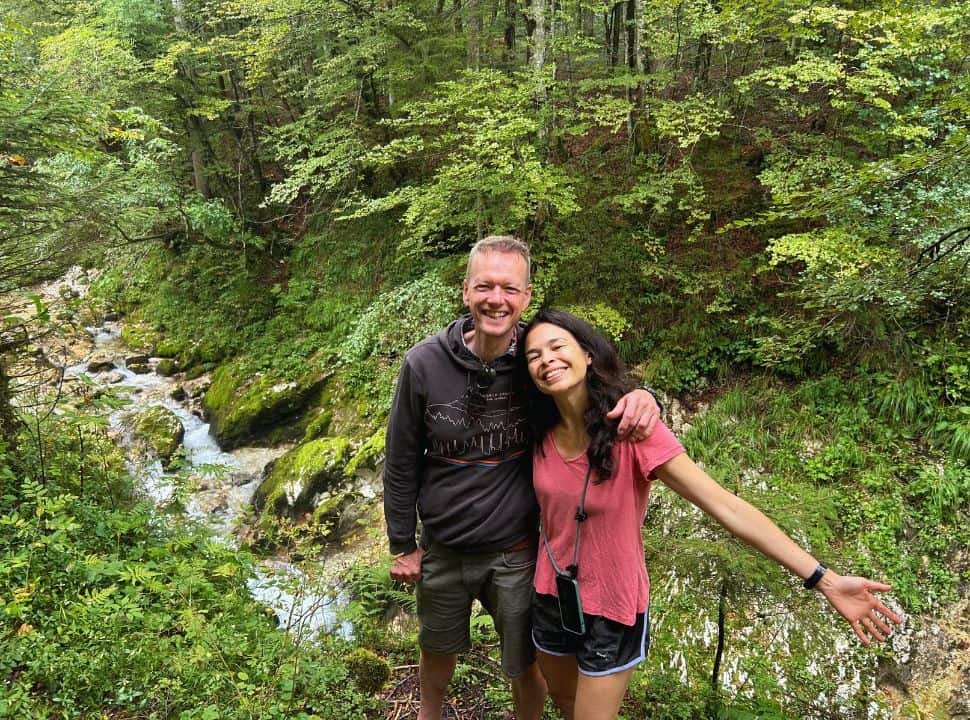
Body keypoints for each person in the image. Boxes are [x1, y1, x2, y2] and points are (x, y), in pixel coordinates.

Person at [520, 309, 903, 720]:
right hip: (551, 594)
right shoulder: (535, 431)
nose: (546, 360)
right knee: (562, 699)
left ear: (588, 353)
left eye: (557, 346)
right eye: (533, 356)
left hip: (613, 607)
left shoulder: (632, 431)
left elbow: (725, 505)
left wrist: (823, 577)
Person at [383, 236, 663, 720]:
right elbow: (402, 457)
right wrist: (401, 542)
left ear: (526, 296)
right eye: (485, 286)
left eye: (509, 288)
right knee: (436, 647)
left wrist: (646, 396)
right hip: (444, 545)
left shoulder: (537, 357)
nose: (497, 299)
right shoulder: (423, 363)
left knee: (523, 662)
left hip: (516, 551)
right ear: (466, 291)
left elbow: (595, 381)